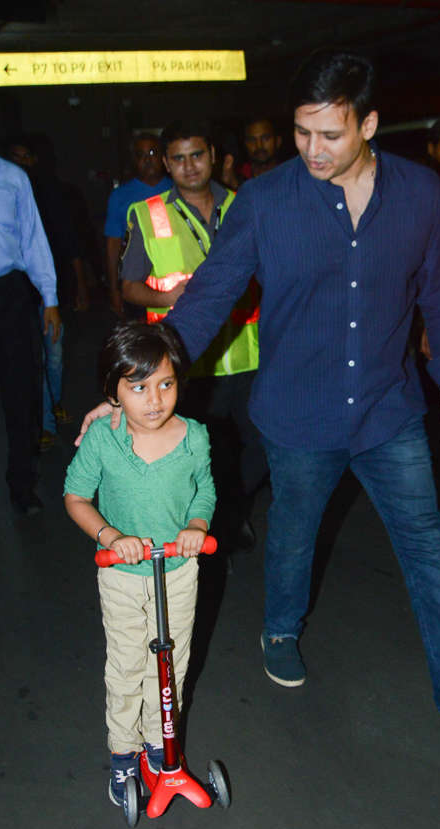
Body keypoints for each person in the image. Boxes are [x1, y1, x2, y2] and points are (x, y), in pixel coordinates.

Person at [79, 51, 440, 744]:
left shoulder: (421, 194)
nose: (312, 150)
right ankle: (279, 630)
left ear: (370, 123)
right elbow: (209, 298)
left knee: (429, 552)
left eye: (330, 134)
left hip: (390, 411)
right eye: (302, 132)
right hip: (297, 414)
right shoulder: (267, 203)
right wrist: (135, 384)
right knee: (294, 537)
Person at [64, 321, 215, 807]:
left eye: (165, 384)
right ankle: (124, 752)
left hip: (177, 571)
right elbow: (76, 496)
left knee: (171, 663)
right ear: (113, 394)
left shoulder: (193, 436)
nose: (155, 400)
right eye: (138, 388)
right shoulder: (103, 440)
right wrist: (111, 536)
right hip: (123, 576)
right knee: (128, 666)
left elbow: (204, 491)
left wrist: (196, 525)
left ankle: (159, 746)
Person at [119, 119, 265, 554]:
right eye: (178, 158)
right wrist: (171, 295)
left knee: (262, 446)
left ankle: (230, 510)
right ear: (166, 163)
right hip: (186, 361)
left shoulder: (247, 204)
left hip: (251, 354)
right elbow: (128, 287)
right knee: (204, 452)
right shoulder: (148, 214)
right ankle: (211, 525)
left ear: (214, 156)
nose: (189, 166)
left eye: (197, 155)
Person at [0, 115, 61, 513]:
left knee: (22, 394)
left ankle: (22, 485)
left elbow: (34, 238)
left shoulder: (13, 177)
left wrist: (49, 298)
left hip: (10, 296)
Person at [7, 134, 87, 449]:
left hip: (51, 291)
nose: (20, 163)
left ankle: (52, 406)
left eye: (25, 157)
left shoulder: (52, 195)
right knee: (36, 359)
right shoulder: (5, 195)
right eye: (14, 156)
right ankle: (45, 422)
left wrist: (81, 285)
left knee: (53, 357)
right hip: (17, 295)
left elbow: (70, 243)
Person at [104, 133, 172, 316]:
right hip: (135, 287)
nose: (147, 160)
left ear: (163, 157)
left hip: (172, 288)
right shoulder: (120, 197)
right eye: (141, 155)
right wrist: (114, 289)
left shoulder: (177, 190)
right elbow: (113, 245)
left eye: (152, 153)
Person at [222, 117, 282, 189]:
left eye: (265, 138)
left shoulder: (291, 174)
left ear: (278, 141)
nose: (259, 146)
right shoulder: (238, 176)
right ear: (245, 144)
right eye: (252, 140)